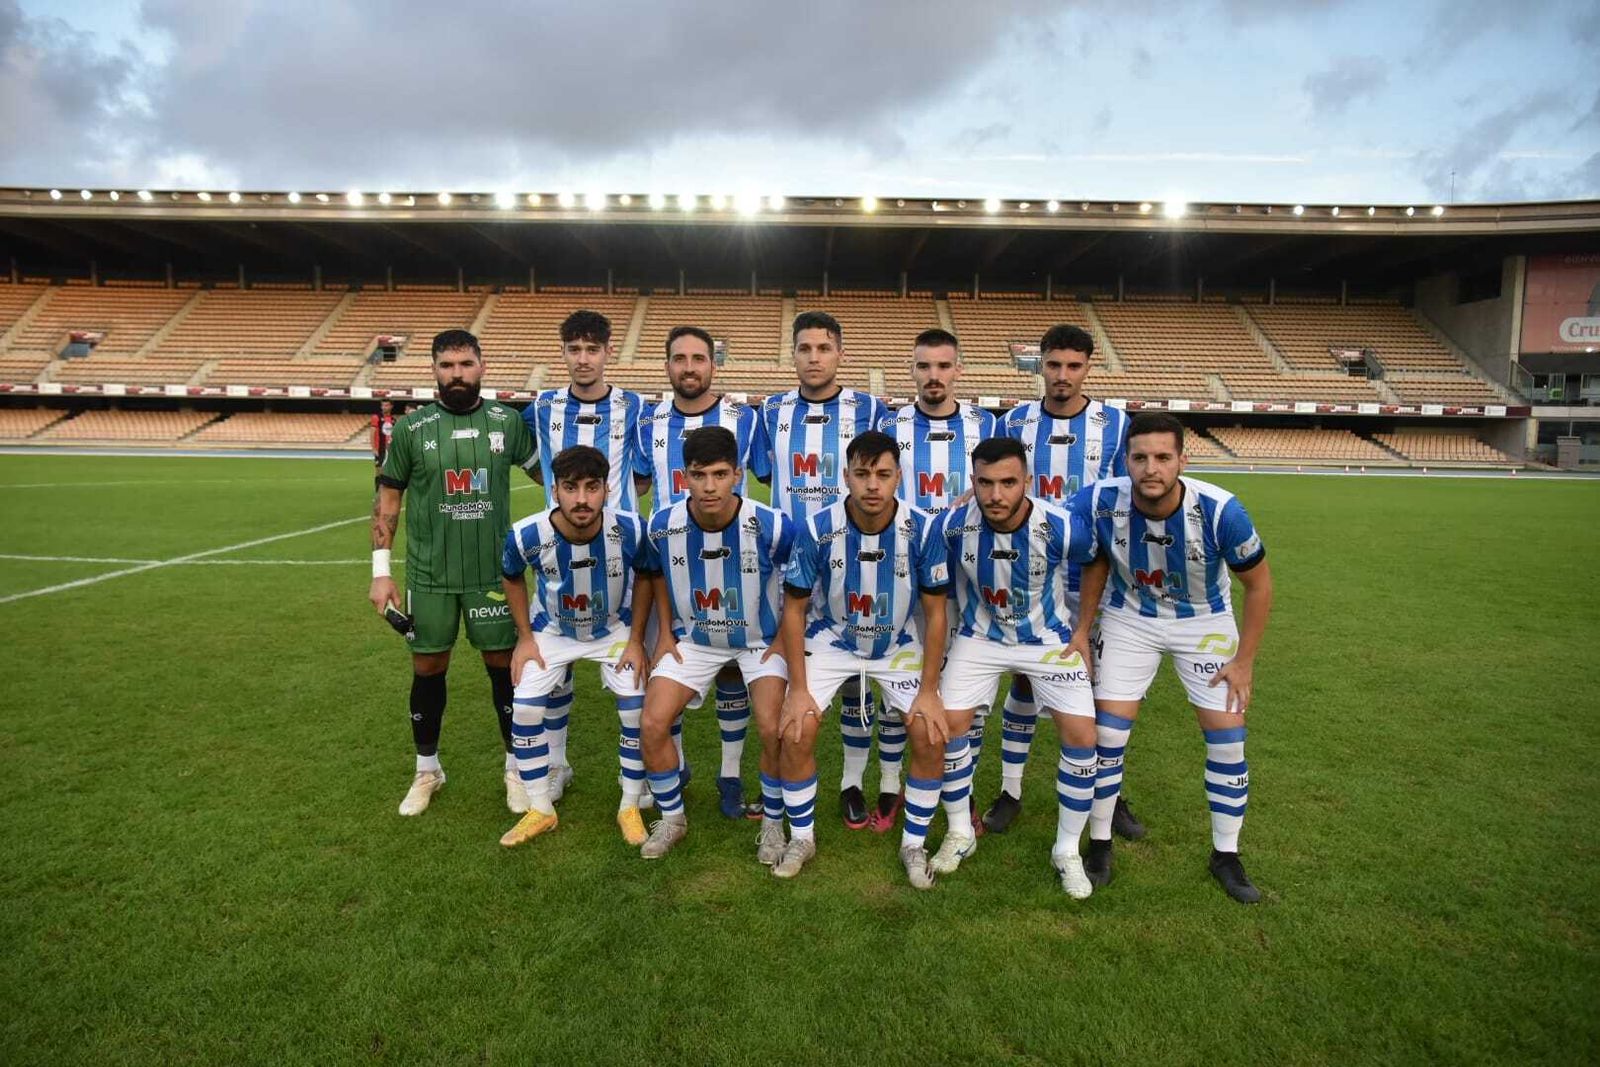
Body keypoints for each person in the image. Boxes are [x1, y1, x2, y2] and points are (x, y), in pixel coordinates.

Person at [1072, 412, 1273, 903]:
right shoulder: (1101, 500)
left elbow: (1259, 585)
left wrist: (1244, 661)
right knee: (1107, 736)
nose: (1151, 468)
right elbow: (1077, 547)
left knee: (1227, 742)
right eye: (1140, 457)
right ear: (1126, 460)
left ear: (1184, 458)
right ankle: (1099, 844)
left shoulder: (1222, 511)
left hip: (1203, 621)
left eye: (1163, 457)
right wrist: (1082, 630)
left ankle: (1226, 854)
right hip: (1130, 618)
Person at [369, 329, 539, 816]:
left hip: (493, 573)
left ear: (481, 366)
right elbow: (387, 503)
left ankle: (516, 767)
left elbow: (550, 478)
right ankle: (428, 769)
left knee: (504, 668)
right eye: (447, 366)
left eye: (465, 364)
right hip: (430, 575)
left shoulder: (508, 423)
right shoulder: (410, 429)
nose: (456, 374)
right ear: (434, 371)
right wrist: (382, 572)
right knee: (428, 668)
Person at [775, 431, 951, 884]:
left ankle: (914, 844)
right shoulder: (817, 528)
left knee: (931, 735)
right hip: (832, 639)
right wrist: (796, 690)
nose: (873, 485)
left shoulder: (924, 528)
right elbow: (793, 608)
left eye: (883, 474)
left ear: (899, 477)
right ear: (846, 476)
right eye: (862, 474)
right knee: (796, 730)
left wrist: (930, 691)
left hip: (896, 643)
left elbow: (935, 614)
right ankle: (802, 837)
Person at [984, 324, 1138, 839]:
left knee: (1102, 692)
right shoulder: (1015, 422)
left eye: (1073, 366)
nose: (1062, 376)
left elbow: (1128, 503)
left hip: (1099, 580)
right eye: (1053, 365)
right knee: (1025, 681)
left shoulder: (1115, 425)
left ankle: (1107, 794)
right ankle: (1011, 790)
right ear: (1040, 366)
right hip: (1031, 579)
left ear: (1089, 367)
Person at [930, 437, 1101, 897]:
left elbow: (1096, 559)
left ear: (1028, 481)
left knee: (1084, 736)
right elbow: (935, 590)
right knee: (948, 727)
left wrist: (1082, 628)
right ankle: (960, 832)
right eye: (985, 483)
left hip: (1047, 641)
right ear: (972, 483)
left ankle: (1066, 849)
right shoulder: (950, 526)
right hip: (979, 638)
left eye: (1008, 483)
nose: (996, 495)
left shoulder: (1062, 525)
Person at [751, 310, 891, 831]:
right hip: (788, 561)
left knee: (858, 672)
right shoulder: (771, 412)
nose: (814, 358)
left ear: (840, 354)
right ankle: (776, 777)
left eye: (824, 348)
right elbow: (766, 474)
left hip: (857, 557)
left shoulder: (870, 407)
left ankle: (852, 782)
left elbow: (880, 474)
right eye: (804, 348)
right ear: (792, 355)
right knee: (783, 670)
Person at [634, 427, 796, 861]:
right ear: (683, 476)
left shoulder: (772, 525)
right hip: (696, 640)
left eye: (720, 474)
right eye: (698, 474)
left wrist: (782, 638)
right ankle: (672, 819)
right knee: (651, 723)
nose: (709, 486)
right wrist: (665, 632)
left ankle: (775, 824)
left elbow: (801, 583)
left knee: (771, 728)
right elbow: (654, 576)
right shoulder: (663, 524)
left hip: (758, 642)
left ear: (738, 474)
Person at [633, 324, 761, 820]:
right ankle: (678, 767)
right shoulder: (647, 423)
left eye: (698, 358)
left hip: (733, 561)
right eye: (679, 359)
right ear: (667, 366)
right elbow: (639, 483)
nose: (689, 367)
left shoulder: (744, 419)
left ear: (713, 364)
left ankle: (729, 774)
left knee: (731, 669)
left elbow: (762, 476)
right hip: (670, 569)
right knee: (669, 666)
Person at [499, 445, 654, 848]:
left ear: (607, 489)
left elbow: (648, 579)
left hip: (612, 630)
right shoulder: (526, 533)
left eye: (592, 487)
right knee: (528, 707)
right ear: (555, 489)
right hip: (550, 631)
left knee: (636, 709)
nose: (582, 499)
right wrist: (525, 638)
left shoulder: (632, 529)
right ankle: (540, 810)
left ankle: (630, 805)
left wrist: (636, 640)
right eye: (570, 487)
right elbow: (511, 578)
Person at [877, 327, 998, 836]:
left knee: (966, 693)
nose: (934, 376)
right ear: (913, 370)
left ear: (958, 371)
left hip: (968, 577)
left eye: (944, 366)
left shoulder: (985, 424)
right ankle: (891, 785)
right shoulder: (890, 424)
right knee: (896, 686)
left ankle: (960, 790)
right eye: (924, 366)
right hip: (903, 575)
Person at [521, 309, 646, 800]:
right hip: (557, 551)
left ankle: (635, 774)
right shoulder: (542, 405)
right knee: (558, 663)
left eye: (592, 349)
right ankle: (557, 765)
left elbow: (644, 473)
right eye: (574, 349)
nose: (583, 359)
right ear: (563, 354)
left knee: (633, 667)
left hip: (618, 557)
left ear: (608, 352)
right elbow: (534, 464)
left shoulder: (634, 406)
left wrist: (614, 507)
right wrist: (559, 502)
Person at [370, 399, 399, 491]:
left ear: (391, 406)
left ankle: (386, 491)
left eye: (386, 405)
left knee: (389, 471)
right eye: (383, 405)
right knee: (379, 471)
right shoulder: (376, 417)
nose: (384, 407)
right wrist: (374, 448)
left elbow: (394, 435)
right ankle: (378, 492)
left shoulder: (393, 420)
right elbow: (372, 433)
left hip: (390, 449)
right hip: (380, 449)